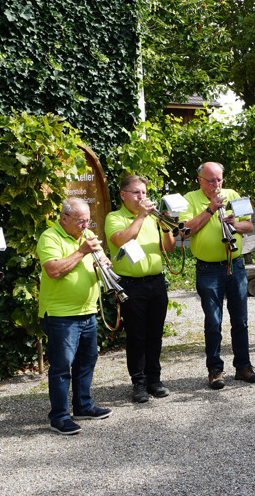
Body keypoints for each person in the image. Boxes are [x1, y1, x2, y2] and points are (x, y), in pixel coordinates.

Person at [180, 162, 255, 389]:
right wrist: (211, 210)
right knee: (213, 322)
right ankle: (215, 370)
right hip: (208, 268)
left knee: (240, 320)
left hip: (234, 264)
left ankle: (243, 366)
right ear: (200, 181)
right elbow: (186, 230)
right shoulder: (190, 198)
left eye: (219, 180)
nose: (217, 185)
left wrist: (235, 223)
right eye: (211, 180)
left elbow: (249, 226)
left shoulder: (233, 195)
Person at [38, 198, 113, 435]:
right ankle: (59, 416)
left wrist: (104, 263)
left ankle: (83, 405)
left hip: (87, 311)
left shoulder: (87, 235)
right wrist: (82, 251)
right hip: (61, 315)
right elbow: (53, 271)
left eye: (88, 220)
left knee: (87, 362)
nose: (85, 225)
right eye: (80, 221)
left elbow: (99, 263)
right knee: (62, 367)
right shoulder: (50, 237)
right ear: (64, 219)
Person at [105, 175, 176, 403]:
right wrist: (142, 215)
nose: (141, 197)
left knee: (155, 334)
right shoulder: (115, 217)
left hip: (156, 282)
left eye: (144, 193)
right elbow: (122, 240)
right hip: (131, 285)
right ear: (123, 195)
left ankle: (155, 379)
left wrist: (166, 228)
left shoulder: (152, 218)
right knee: (136, 335)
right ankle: (139, 382)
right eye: (136, 193)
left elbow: (170, 248)